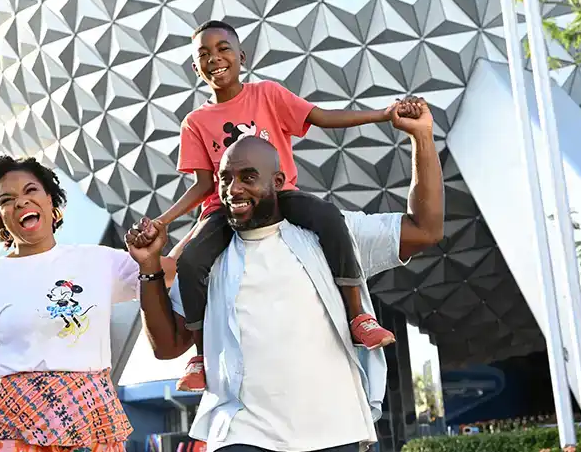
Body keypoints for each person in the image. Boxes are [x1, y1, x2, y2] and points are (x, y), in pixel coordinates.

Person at [127, 97, 443, 452]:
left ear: (278, 181)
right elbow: (167, 346)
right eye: (225, 179)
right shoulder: (207, 257)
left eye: (248, 177)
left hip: (334, 430)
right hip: (241, 433)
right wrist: (149, 268)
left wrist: (422, 137)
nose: (234, 190)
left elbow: (425, 229)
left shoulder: (330, 232)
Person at [150, 19, 401, 391]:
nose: (215, 59)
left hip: (279, 197)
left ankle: (358, 316)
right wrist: (165, 220)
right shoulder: (195, 122)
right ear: (195, 67)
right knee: (190, 262)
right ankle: (202, 356)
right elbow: (205, 184)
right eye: (204, 54)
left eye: (223, 49)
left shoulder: (267, 94)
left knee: (330, 218)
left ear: (241, 56)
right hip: (226, 208)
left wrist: (383, 114)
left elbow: (322, 117)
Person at [0, 156, 149, 452]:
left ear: (51, 201)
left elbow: (165, 272)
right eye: (7, 199)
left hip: (91, 420)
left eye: (31, 191)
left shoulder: (99, 261)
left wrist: (211, 215)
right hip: (14, 431)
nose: (21, 202)